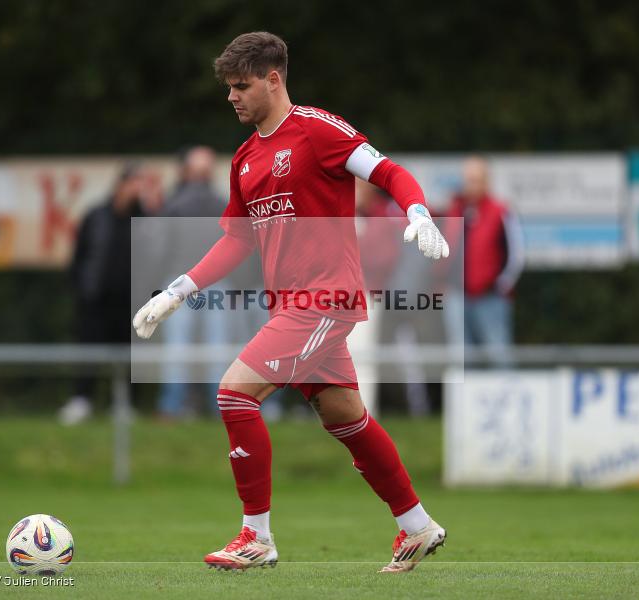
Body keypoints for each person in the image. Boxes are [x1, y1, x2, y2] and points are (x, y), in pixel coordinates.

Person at [132, 32, 448, 573]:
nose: (231, 96)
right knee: (346, 418)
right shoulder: (244, 158)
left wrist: (418, 212)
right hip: (291, 306)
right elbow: (237, 240)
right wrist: (178, 291)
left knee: (234, 393)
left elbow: (389, 172)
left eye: (241, 85)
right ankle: (417, 526)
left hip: (325, 298)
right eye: (229, 87)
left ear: (273, 79)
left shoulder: (317, 130)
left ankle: (256, 536)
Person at [60, 163, 162, 425]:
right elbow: (80, 257)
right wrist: (82, 288)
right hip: (96, 299)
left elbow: (154, 260)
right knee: (88, 350)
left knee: (131, 354)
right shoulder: (96, 216)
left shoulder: (147, 220)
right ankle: (82, 400)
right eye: (133, 184)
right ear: (120, 185)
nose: (137, 191)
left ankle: (124, 404)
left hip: (132, 301)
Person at [156, 146, 232, 418]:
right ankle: (221, 407)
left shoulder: (172, 204)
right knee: (216, 347)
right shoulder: (222, 202)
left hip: (181, 281)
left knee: (179, 347)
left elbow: (160, 247)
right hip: (214, 281)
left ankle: (172, 406)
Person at [443, 157, 524, 367]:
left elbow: (515, 255)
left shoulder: (500, 211)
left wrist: (499, 286)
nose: (471, 185)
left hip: (490, 297)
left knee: (499, 353)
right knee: (460, 358)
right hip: (457, 295)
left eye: (476, 180)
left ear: (487, 181)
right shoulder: (454, 209)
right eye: (468, 180)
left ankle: (506, 389)